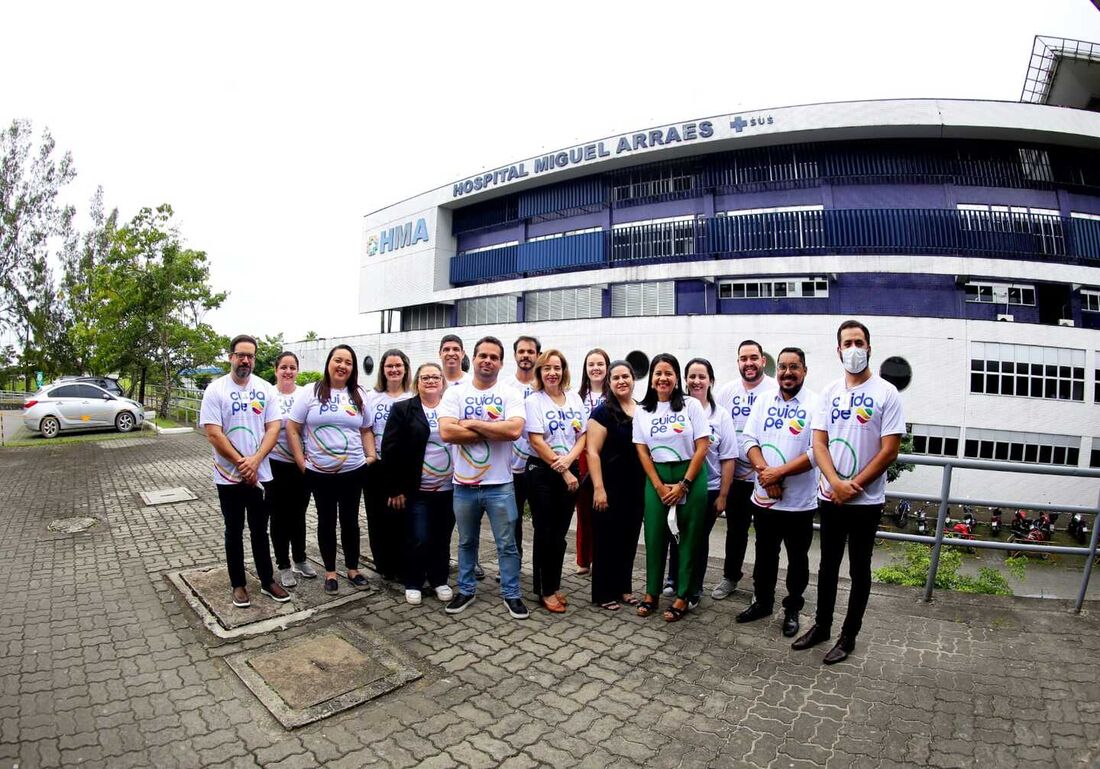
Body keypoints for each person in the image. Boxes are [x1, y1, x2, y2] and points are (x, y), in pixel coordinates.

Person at [792, 320, 905, 664]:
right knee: (827, 565)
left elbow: (889, 450)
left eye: (859, 342)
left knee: (859, 570)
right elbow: (819, 443)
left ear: (869, 348)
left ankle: (848, 636)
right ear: (838, 349)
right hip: (831, 497)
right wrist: (835, 483)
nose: (853, 348)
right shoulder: (829, 392)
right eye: (847, 343)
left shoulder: (887, 393)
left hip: (866, 500)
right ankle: (822, 626)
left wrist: (853, 485)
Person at [439, 336, 529, 619]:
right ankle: (466, 590)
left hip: (500, 484)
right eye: (483, 356)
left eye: (493, 357)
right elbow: (447, 433)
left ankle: (512, 594)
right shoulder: (455, 392)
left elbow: (514, 431)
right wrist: (494, 428)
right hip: (464, 485)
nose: (487, 361)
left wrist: (474, 424)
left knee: (507, 544)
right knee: (466, 542)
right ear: (473, 359)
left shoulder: (510, 393)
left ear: (501, 363)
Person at [198, 334, 290, 607]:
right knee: (233, 530)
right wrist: (242, 463)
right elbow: (213, 433)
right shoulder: (216, 390)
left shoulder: (265, 389)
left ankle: (267, 580)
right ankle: (238, 583)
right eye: (241, 355)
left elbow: (274, 427)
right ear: (231, 357)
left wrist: (256, 460)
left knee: (261, 530)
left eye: (250, 356)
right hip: (228, 476)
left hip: (261, 475)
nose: (246, 361)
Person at [738, 347, 819, 638]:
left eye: (794, 367)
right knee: (764, 555)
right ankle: (763, 602)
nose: (787, 372)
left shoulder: (816, 403)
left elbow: (817, 452)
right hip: (764, 498)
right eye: (782, 367)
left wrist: (779, 473)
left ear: (804, 371)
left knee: (797, 560)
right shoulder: (763, 400)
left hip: (799, 503)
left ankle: (793, 610)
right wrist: (765, 473)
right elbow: (748, 438)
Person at [286, 344, 376, 595]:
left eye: (348, 362)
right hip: (319, 473)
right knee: (326, 521)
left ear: (353, 368)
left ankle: (353, 569)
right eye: (338, 360)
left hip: (353, 471)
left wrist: (370, 457)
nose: (342, 366)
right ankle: (330, 572)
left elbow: (366, 428)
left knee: (350, 522)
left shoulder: (358, 394)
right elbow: (292, 427)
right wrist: (301, 462)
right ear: (329, 363)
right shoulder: (311, 392)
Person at [633, 353, 710, 622]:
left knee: (688, 539)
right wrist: (658, 485)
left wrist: (684, 484)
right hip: (657, 478)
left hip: (690, 476)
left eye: (669, 373)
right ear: (651, 379)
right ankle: (652, 593)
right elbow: (642, 452)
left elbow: (703, 446)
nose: (663, 378)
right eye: (658, 373)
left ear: (677, 378)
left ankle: (683, 596)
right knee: (655, 536)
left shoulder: (691, 406)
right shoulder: (642, 410)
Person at [381, 363, 455, 606]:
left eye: (435, 377)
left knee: (442, 537)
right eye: (425, 377)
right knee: (418, 537)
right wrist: (395, 487)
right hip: (417, 488)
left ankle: (439, 579)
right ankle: (413, 582)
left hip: (449, 487)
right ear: (417, 382)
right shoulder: (403, 409)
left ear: (442, 381)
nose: (431, 381)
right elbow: (389, 449)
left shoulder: (451, 407)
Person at [667, 358, 737, 607]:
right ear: (685, 380)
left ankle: (694, 588)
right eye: (692, 376)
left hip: (708, 489)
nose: (696, 381)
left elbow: (728, 458)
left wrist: (723, 495)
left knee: (698, 539)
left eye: (702, 376)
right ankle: (673, 579)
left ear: (711, 381)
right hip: (679, 486)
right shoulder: (676, 409)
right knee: (676, 532)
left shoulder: (721, 415)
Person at [711, 340, 777, 601]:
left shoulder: (774, 389)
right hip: (735, 477)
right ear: (738, 362)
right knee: (735, 532)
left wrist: (768, 471)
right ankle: (730, 577)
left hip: (765, 477)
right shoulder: (727, 392)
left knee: (766, 537)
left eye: (753, 358)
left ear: (763, 360)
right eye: (743, 358)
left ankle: (761, 587)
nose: (748, 363)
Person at [525, 349, 587, 613]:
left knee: (560, 535)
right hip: (542, 472)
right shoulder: (534, 401)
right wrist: (563, 469)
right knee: (545, 532)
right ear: (540, 372)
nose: (552, 373)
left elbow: (582, 435)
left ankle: (554, 583)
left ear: (564, 370)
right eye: (547, 368)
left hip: (568, 469)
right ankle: (544, 590)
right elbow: (536, 440)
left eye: (557, 368)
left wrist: (570, 462)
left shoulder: (573, 398)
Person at [587, 361, 645, 610]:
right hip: (608, 485)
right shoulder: (602, 412)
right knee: (606, 540)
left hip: (636, 486)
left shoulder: (643, 410)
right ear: (609, 383)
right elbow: (592, 451)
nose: (621, 381)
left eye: (626, 376)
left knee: (629, 539)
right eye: (616, 378)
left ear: (633, 379)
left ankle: (624, 588)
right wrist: (599, 488)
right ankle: (603, 593)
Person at [267, 351, 317, 588]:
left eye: (292, 367)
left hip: (301, 464)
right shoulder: (268, 395)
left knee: (298, 514)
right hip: (275, 464)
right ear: (276, 370)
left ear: (297, 370)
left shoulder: (304, 394)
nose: (288, 371)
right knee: (278, 517)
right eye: (283, 367)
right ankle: (283, 565)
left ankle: (300, 559)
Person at [364, 349, 413, 581]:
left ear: (405, 369)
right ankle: (384, 565)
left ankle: (404, 564)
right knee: (377, 516)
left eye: (398, 366)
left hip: (405, 466)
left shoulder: (413, 397)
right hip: (377, 465)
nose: (394, 370)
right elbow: (366, 429)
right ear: (383, 370)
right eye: (389, 366)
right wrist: (372, 457)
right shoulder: (371, 397)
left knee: (402, 516)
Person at [575, 348, 609, 575]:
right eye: (591, 364)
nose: (595, 368)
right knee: (584, 510)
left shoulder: (613, 396)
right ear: (585, 370)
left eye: (600, 364)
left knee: (604, 510)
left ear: (607, 368)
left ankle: (601, 557)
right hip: (582, 456)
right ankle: (583, 560)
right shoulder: (575, 397)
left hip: (606, 458)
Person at [508, 335, 541, 563]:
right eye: (522, 351)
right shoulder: (506, 387)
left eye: (530, 351)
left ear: (538, 355)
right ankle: (512, 563)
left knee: (541, 521)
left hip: (538, 464)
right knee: (513, 519)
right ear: (515, 355)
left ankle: (541, 569)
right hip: (510, 467)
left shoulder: (544, 387)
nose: (526, 356)